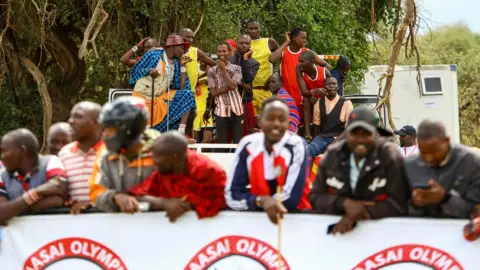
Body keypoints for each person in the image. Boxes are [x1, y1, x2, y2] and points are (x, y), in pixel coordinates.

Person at [309, 107, 409, 234]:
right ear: (346, 133)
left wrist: (362, 212)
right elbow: (315, 197)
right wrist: (343, 203)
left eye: (366, 133)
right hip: (339, 235)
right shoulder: (332, 155)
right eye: (354, 133)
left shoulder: (390, 156)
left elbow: (400, 202)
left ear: (376, 133)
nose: (360, 139)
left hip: (384, 234)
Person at [225, 98, 310, 224]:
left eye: (282, 119)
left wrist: (260, 202)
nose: (276, 124)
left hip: (296, 221)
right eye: (270, 118)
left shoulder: (297, 146)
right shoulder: (248, 145)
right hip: (257, 222)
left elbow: (292, 199)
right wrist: (259, 201)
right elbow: (232, 195)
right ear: (260, 121)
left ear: (288, 123)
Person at [128, 131, 227, 222]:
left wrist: (188, 204)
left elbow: (223, 201)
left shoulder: (209, 171)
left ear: (174, 157)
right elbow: (137, 195)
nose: (153, 161)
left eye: (157, 157)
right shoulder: (163, 169)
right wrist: (164, 203)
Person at [89, 97, 161, 213]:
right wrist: (114, 197)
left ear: (129, 130)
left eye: (110, 130)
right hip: (117, 226)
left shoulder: (161, 151)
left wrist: (145, 202)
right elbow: (95, 191)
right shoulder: (105, 153)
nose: (104, 134)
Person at [405, 120, 480, 218]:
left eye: (434, 151)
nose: (429, 158)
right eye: (423, 152)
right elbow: (400, 210)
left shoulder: (472, 164)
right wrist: (415, 204)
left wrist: (445, 198)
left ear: (447, 140)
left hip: (461, 230)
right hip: (421, 230)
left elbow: (475, 213)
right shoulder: (410, 165)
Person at [128, 34, 195, 136]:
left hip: (159, 99)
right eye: (181, 48)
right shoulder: (153, 55)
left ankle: (181, 133)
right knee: (143, 131)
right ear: (172, 47)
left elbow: (182, 87)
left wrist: (182, 66)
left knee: (187, 95)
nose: (183, 51)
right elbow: (135, 71)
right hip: (143, 99)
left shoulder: (177, 63)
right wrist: (148, 70)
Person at [0, 128, 68, 224]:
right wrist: (36, 194)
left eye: (4, 151)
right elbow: (1, 213)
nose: (2, 156)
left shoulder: (50, 161)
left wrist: (12, 209)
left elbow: (58, 191)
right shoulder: (2, 175)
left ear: (21, 151)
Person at [269, 28, 331, 111]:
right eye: (303, 38)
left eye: (305, 38)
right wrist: (286, 42)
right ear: (294, 38)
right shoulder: (284, 51)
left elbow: (326, 66)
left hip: (305, 97)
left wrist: (317, 83)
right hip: (288, 97)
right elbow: (272, 59)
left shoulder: (307, 53)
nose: (305, 40)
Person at [58, 101, 104, 214]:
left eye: (78, 116)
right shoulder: (64, 154)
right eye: (71, 116)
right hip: (75, 227)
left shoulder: (113, 152)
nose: (70, 121)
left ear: (96, 123)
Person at [204, 42, 243, 144]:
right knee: (221, 142)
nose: (221, 53)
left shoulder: (237, 68)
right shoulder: (211, 71)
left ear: (229, 52)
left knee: (237, 142)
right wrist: (229, 86)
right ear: (216, 53)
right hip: (220, 110)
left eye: (224, 51)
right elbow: (213, 93)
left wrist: (224, 71)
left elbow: (234, 86)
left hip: (237, 108)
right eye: (219, 51)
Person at [307, 77, 353, 158]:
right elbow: (316, 126)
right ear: (324, 87)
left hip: (340, 137)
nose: (331, 86)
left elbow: (349, 128)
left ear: (337, 87)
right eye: (328, 84)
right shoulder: (318, 103)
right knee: (308, 151)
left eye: (333, 84)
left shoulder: (346, 103)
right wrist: (313, 141)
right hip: (322, 138)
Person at [245, 19, 280, 118]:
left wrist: (276, 75)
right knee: (250, 123)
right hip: (248, 91)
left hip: (265, 90)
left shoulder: (269, 42)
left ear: (260, 29)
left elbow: (281, 57)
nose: (253, 31)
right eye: (250, 28)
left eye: (256, 28)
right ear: (247, 30)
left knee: (267, 121)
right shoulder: (244, 43)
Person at [228, 34, 260, 136]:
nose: (244, 45)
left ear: (250, 45)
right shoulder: (230, 60)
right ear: (237, 44)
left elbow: (248, 79)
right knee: (229, 131)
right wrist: (242, 84)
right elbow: (228, 78)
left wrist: (245, 59)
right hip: (229, 100)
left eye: (247, 43)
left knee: (246, 131)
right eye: (241, 43)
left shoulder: (254, 63)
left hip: (246, 100)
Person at [297, 50, 332, 140]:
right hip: (311, 99)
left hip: (325, 102)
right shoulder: (299, 69)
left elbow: (331, 93)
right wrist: (314, 92)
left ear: (312, 62)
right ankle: (307, 133)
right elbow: (304, 91)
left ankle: (324, 131)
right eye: (299, 61)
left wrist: (319, 100)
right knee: (306, 99)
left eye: (302, 61)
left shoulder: (324, 72)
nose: (299, 63)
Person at [193, 60, 215, 143]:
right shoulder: (195, 69)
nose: (203, 61)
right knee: (196, 138)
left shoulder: (212, 71)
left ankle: (202, 154)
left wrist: (209, 82)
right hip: (196, 106)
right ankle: (196, 154)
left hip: (207, 107)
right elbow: (190, 83)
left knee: (208, 140)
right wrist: (199, 81)